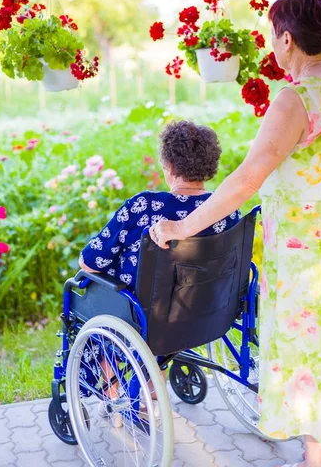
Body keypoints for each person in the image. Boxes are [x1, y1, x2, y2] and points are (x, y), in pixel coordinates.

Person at [150, 0, 321, 467]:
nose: (274, 46)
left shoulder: (297, 97)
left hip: (310, 260)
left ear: (287, 38)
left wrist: (182, 226)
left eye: (275, 36)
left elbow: (248, 178)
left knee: (313, 382)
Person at [79, 120, 240, 425]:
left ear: (168, 164)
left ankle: (114, 393)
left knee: (87, 299)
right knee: (162, 296)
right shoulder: (224, 207)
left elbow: (90, 262)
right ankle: (155, 381)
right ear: (210, 165)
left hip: (148, 317)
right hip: (209, 308)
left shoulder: (144, 206)